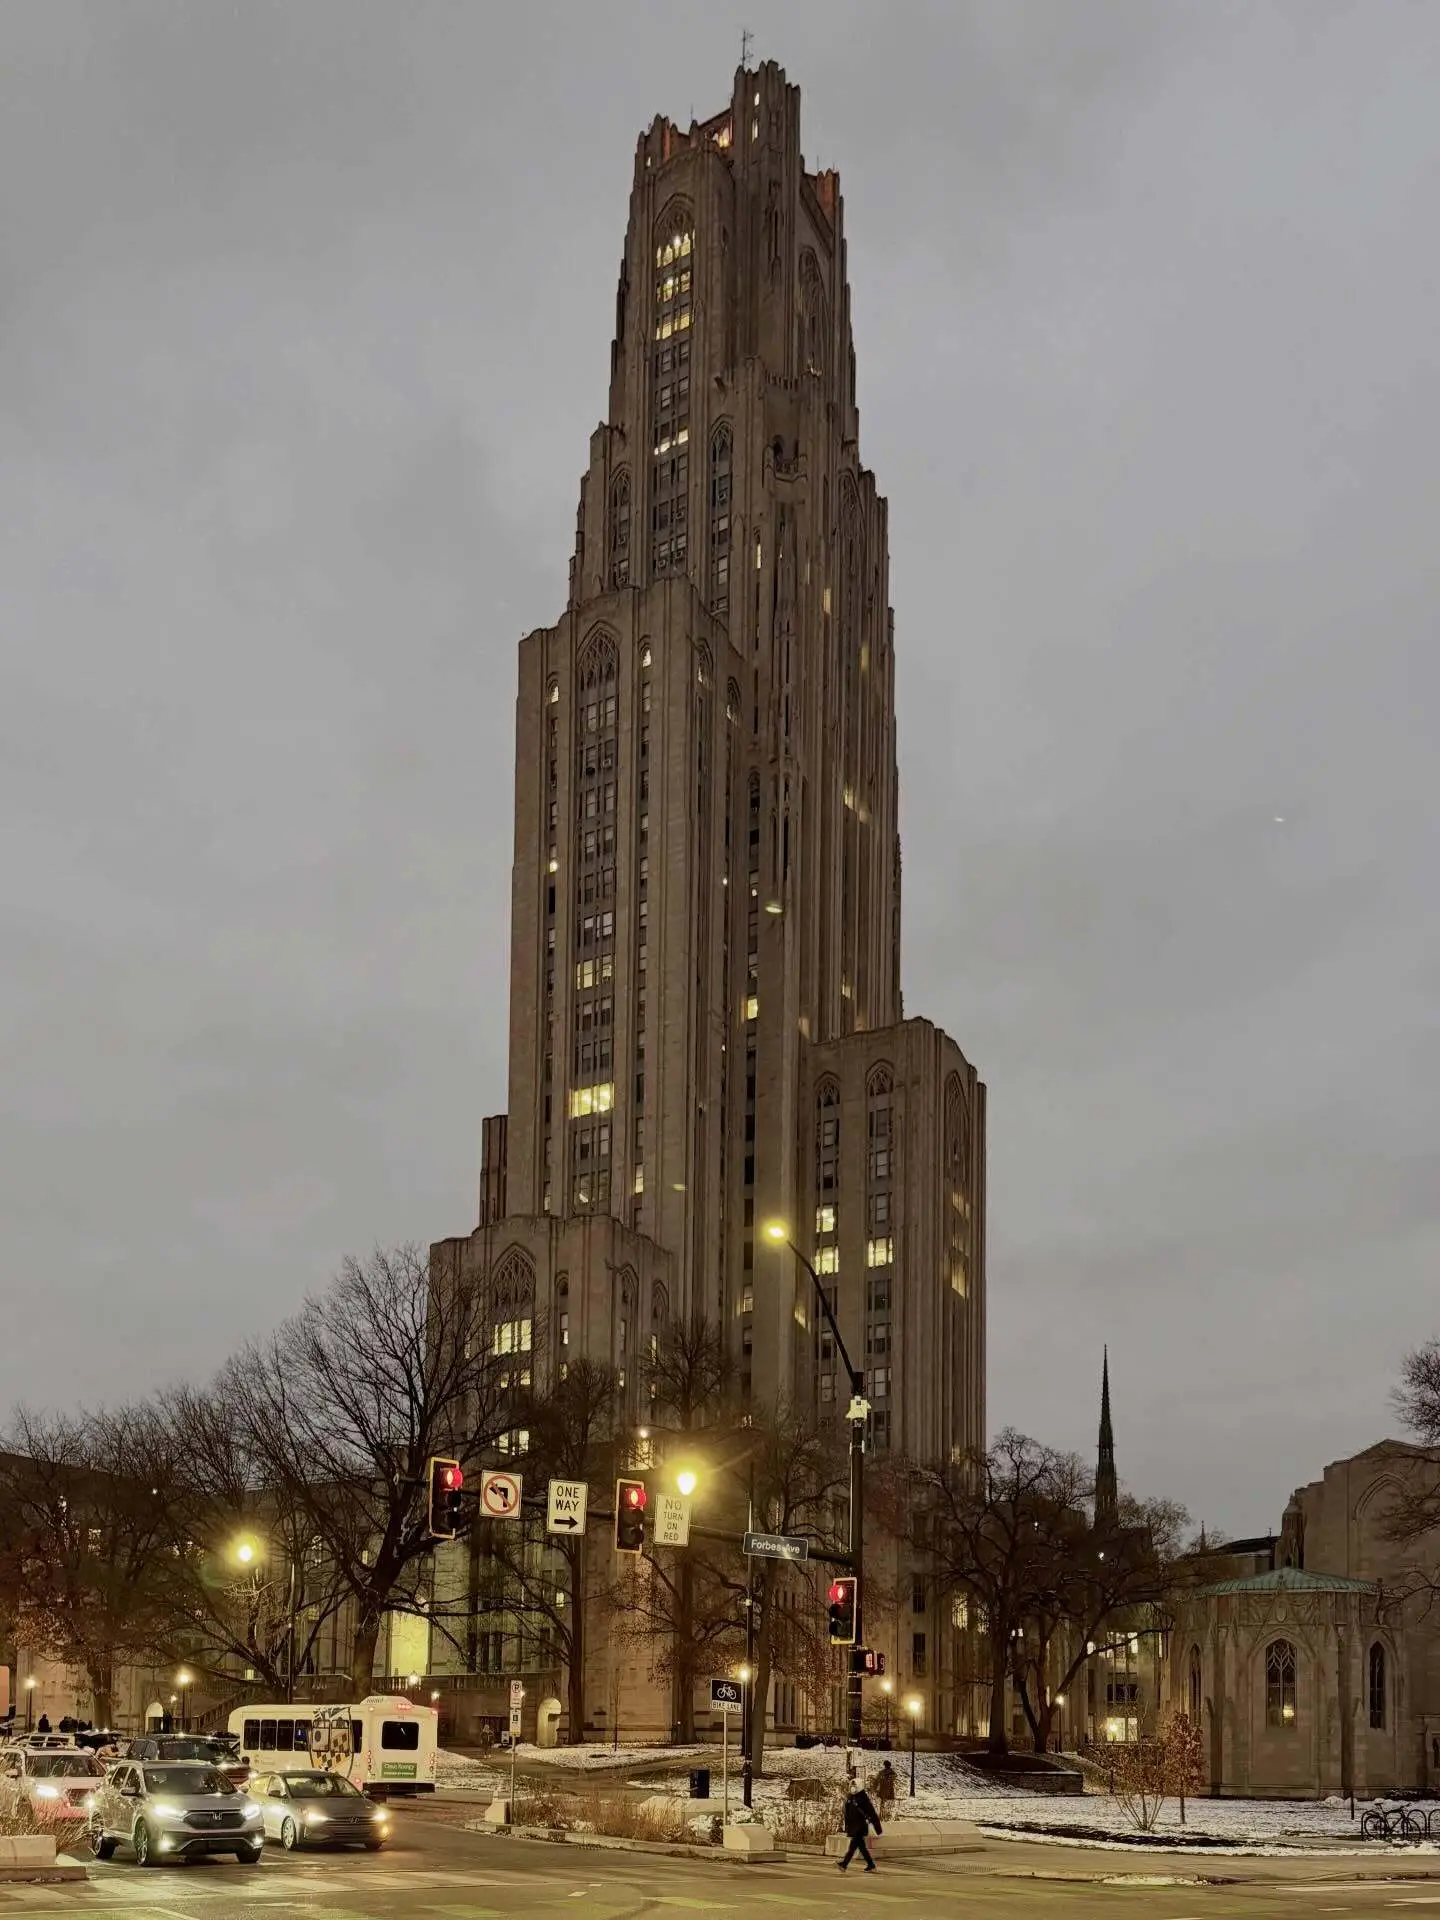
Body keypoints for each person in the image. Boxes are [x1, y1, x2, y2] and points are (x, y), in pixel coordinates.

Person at [838, 1783, 882, 1871]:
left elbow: (872, 1813)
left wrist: (878, 1829)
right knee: (861, 1847)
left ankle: (844, 1864)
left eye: (854, 1786)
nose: (852, 1788)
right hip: (854, 1827)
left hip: (860, 1827)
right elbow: (847, 1813)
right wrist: (846, 1826)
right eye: (851, 1786)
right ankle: (871, 1865)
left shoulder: (863, 1799)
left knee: (854, 1846)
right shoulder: (850, 1797)